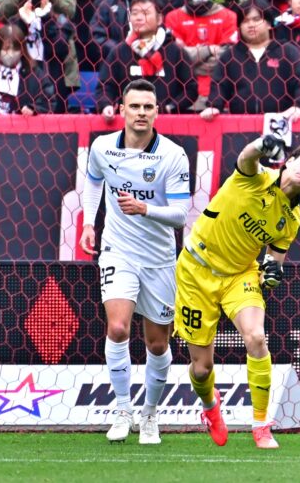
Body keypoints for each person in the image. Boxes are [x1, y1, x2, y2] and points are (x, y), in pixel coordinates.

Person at [175, 135, 300, 449]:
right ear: (289, 161)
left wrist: (272, 274)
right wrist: (264, 144)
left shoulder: (292, 219)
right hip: (196, 269)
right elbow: (249, 155)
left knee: (256, 338)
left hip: (239, 275)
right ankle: (209, 407)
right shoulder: (253, 177)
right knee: (201, 367)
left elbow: (273, 262)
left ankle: (261, 425)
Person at [79, 78, 192, 445]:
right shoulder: (102, 148)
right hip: (118, 250)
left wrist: (144, 209)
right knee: (117, 328)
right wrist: (88, 223)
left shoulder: (172, 155)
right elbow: (94, 181)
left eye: (148, 106)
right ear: (122, 109)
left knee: (157, 344)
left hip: (159, 259)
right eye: (135, 106)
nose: (141, 112)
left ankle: (150, 414)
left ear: (157, 111)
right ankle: (123, 409)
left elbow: (180, 214)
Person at [200, 1, 300, 120]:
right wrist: (214, 106)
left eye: (256, 19)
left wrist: (299, 106)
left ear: (269, 24)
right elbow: (219, 85)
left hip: (281, 124)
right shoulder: (230, 56)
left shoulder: (288, 51)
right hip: (241, 125)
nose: (251, 25)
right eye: (245, 21)